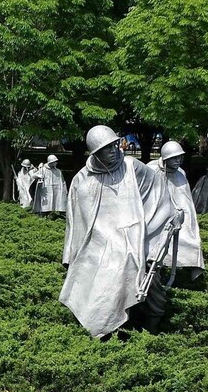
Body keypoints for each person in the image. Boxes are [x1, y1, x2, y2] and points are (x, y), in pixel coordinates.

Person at [60, 125, 178, 338]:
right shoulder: (81, 180)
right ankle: (100, 329)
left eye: (115, 145)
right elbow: (75, 222)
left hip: (134, 239)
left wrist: (158, 233)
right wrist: (71, 254)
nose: (114, 151)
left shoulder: (133, 167)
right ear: (95, 153)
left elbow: (159, 196)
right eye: (107, 148)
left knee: (143, 272)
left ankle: (150, 331)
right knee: (94, 273)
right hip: (97, 244)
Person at [146, 141, 204, 277]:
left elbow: (186, 204)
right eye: (175, 158)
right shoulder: (151, 170)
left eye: (180, 157)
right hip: (154, 219)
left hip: (176, 221)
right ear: (166, 158)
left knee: (191, 241)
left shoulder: (181, 174)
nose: (179, 161)